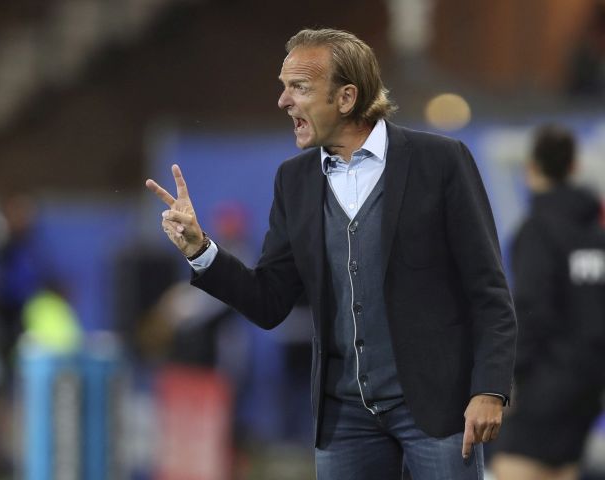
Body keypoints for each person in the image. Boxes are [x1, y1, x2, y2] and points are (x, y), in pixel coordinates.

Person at [145, 28, 517, 479]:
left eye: (299, 87)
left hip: (436, 410)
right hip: (345, 419)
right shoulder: (294, 181)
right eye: (283, 87)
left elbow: (489, 291)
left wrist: (490, 390)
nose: (283, 101)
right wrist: (201, 251)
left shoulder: (441, 162)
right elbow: (268, 301)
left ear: (346, 98)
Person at [490, 125, 605, 480]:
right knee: (561, 470)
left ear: (532, 169)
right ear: (573, 168)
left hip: (547, 382)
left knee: (511, 464)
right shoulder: (595, 235)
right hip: (590, 384)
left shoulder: (538, 230)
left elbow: (532, 310)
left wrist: (508, 381)